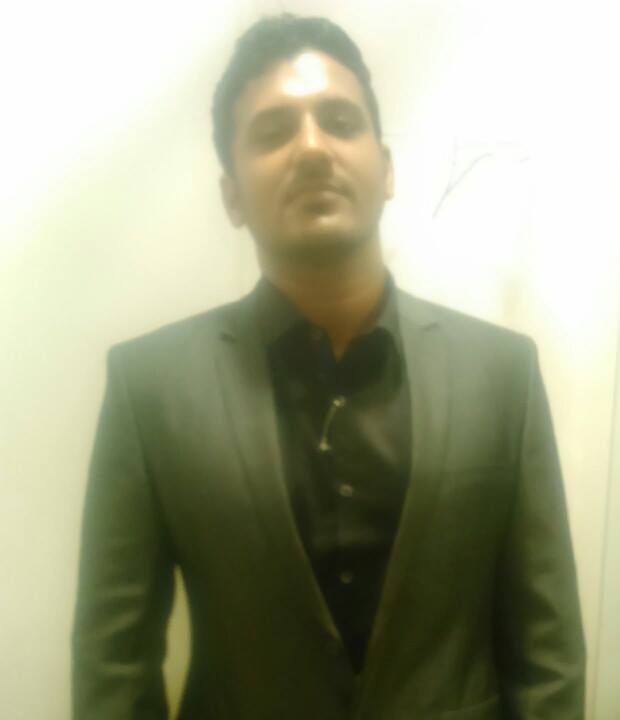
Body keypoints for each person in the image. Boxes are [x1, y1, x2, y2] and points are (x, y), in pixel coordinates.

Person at [71, 13, 586, 720]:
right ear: (231, 195)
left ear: (387, 168)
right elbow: (113, 667)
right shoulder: (150, 388)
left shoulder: (503, 375)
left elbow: (548, 656)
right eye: (273, 132)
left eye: (340, 122)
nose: (312, 148)